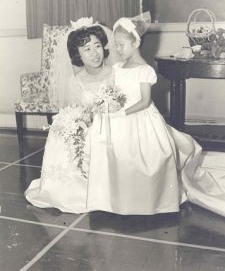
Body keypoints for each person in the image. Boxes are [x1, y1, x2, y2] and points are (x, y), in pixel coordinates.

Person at [86, 13, 225, 217]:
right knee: (115, 153)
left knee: (146, 157)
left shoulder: (144, 70)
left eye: (121, 44)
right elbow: (115, 91)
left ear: (135, 43)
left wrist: (123, 113)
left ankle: (147, 197)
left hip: (140, 117)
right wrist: (109, 104)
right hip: (120, 116)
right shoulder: (117, 67)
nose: (117, 49)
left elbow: (144, 101)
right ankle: (116, 197)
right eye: (115, 44)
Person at [25, 17, 114, 213]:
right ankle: (66, 189)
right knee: (59, 130)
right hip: (88, 124)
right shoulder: (77, 80)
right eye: (87, 49)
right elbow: (75, 107)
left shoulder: (115, 73)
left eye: (97, 46)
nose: (94, 53)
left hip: (114, 124)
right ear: (78, 55)